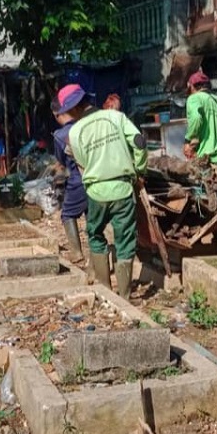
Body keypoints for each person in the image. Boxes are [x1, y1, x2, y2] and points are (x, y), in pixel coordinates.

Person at [62, 84, 148, 299]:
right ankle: (125, 295)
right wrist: (139, 170)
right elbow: (139, 142)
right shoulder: (115, 118)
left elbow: (82, 164)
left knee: (95, 235)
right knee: (125, 240)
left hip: (96, 192)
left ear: (72, 109)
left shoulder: (75, 132)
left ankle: (106, 292)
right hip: (122, 188)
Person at [51, 97, 89, 266]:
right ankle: (96, 256)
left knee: (67, 213)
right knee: (91, 216)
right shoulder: (86, 126)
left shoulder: (60, 135)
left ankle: (76, 253)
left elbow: (61, 161)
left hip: (77, 179)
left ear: (57, 114)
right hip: (96, 177)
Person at [183, 71, 217, 166]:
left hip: (204, 160)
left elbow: (196, 119)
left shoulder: (194, 98)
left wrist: (188, 140)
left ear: (191, 86)